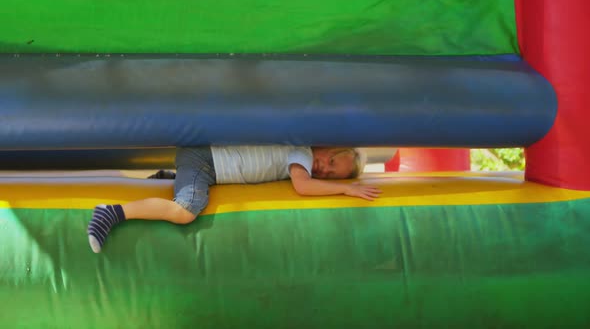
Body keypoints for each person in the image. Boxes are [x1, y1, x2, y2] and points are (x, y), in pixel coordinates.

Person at [87, 145, 381, 253]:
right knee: (186, 211)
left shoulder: (301, 155)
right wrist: (346, 189)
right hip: (206, 162)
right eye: (330, 160)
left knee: (186, 197)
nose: (323, 168)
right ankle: (112, 213)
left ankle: (168, 177)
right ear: (327, 147)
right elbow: (303, 186)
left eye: (331, 174)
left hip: (207, 164)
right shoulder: (301, 152)